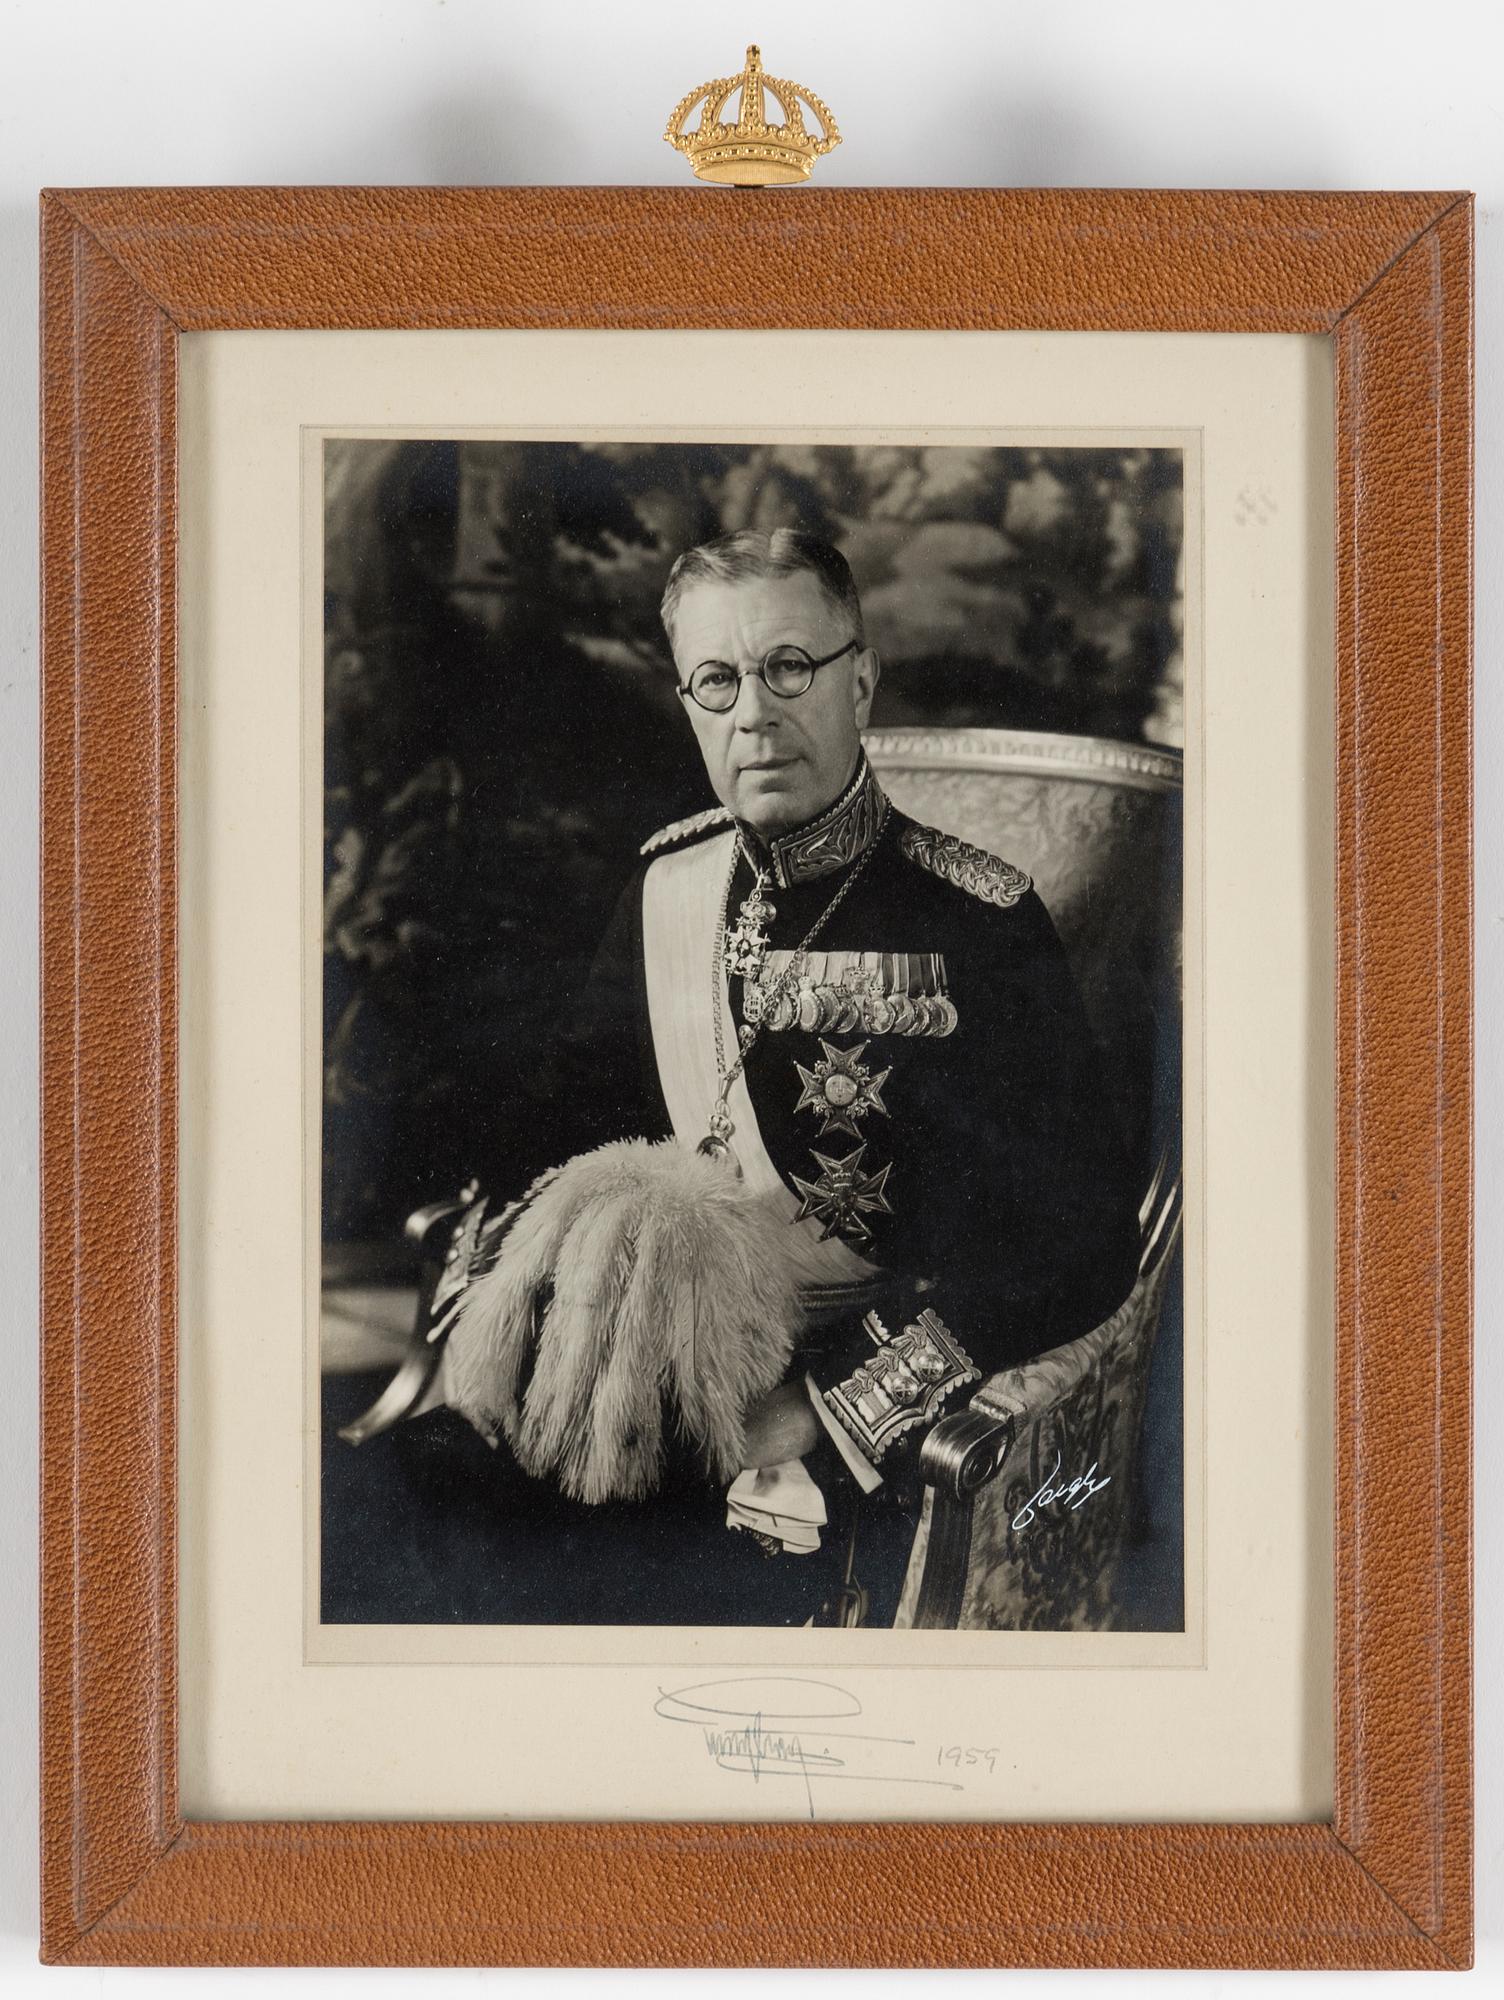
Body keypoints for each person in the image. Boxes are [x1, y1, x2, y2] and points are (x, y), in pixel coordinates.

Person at [323, 528, 1142, 1629]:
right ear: (688, 701)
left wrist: (821, 1406)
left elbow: (1076, 1238)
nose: (754, 711)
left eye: (789, 667)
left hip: (823, 1421)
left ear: (862, 681)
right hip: (637, 1380)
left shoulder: (978, 921)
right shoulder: (670, 883)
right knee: (384, 1527)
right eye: (718, 679)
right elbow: (567, 1120)